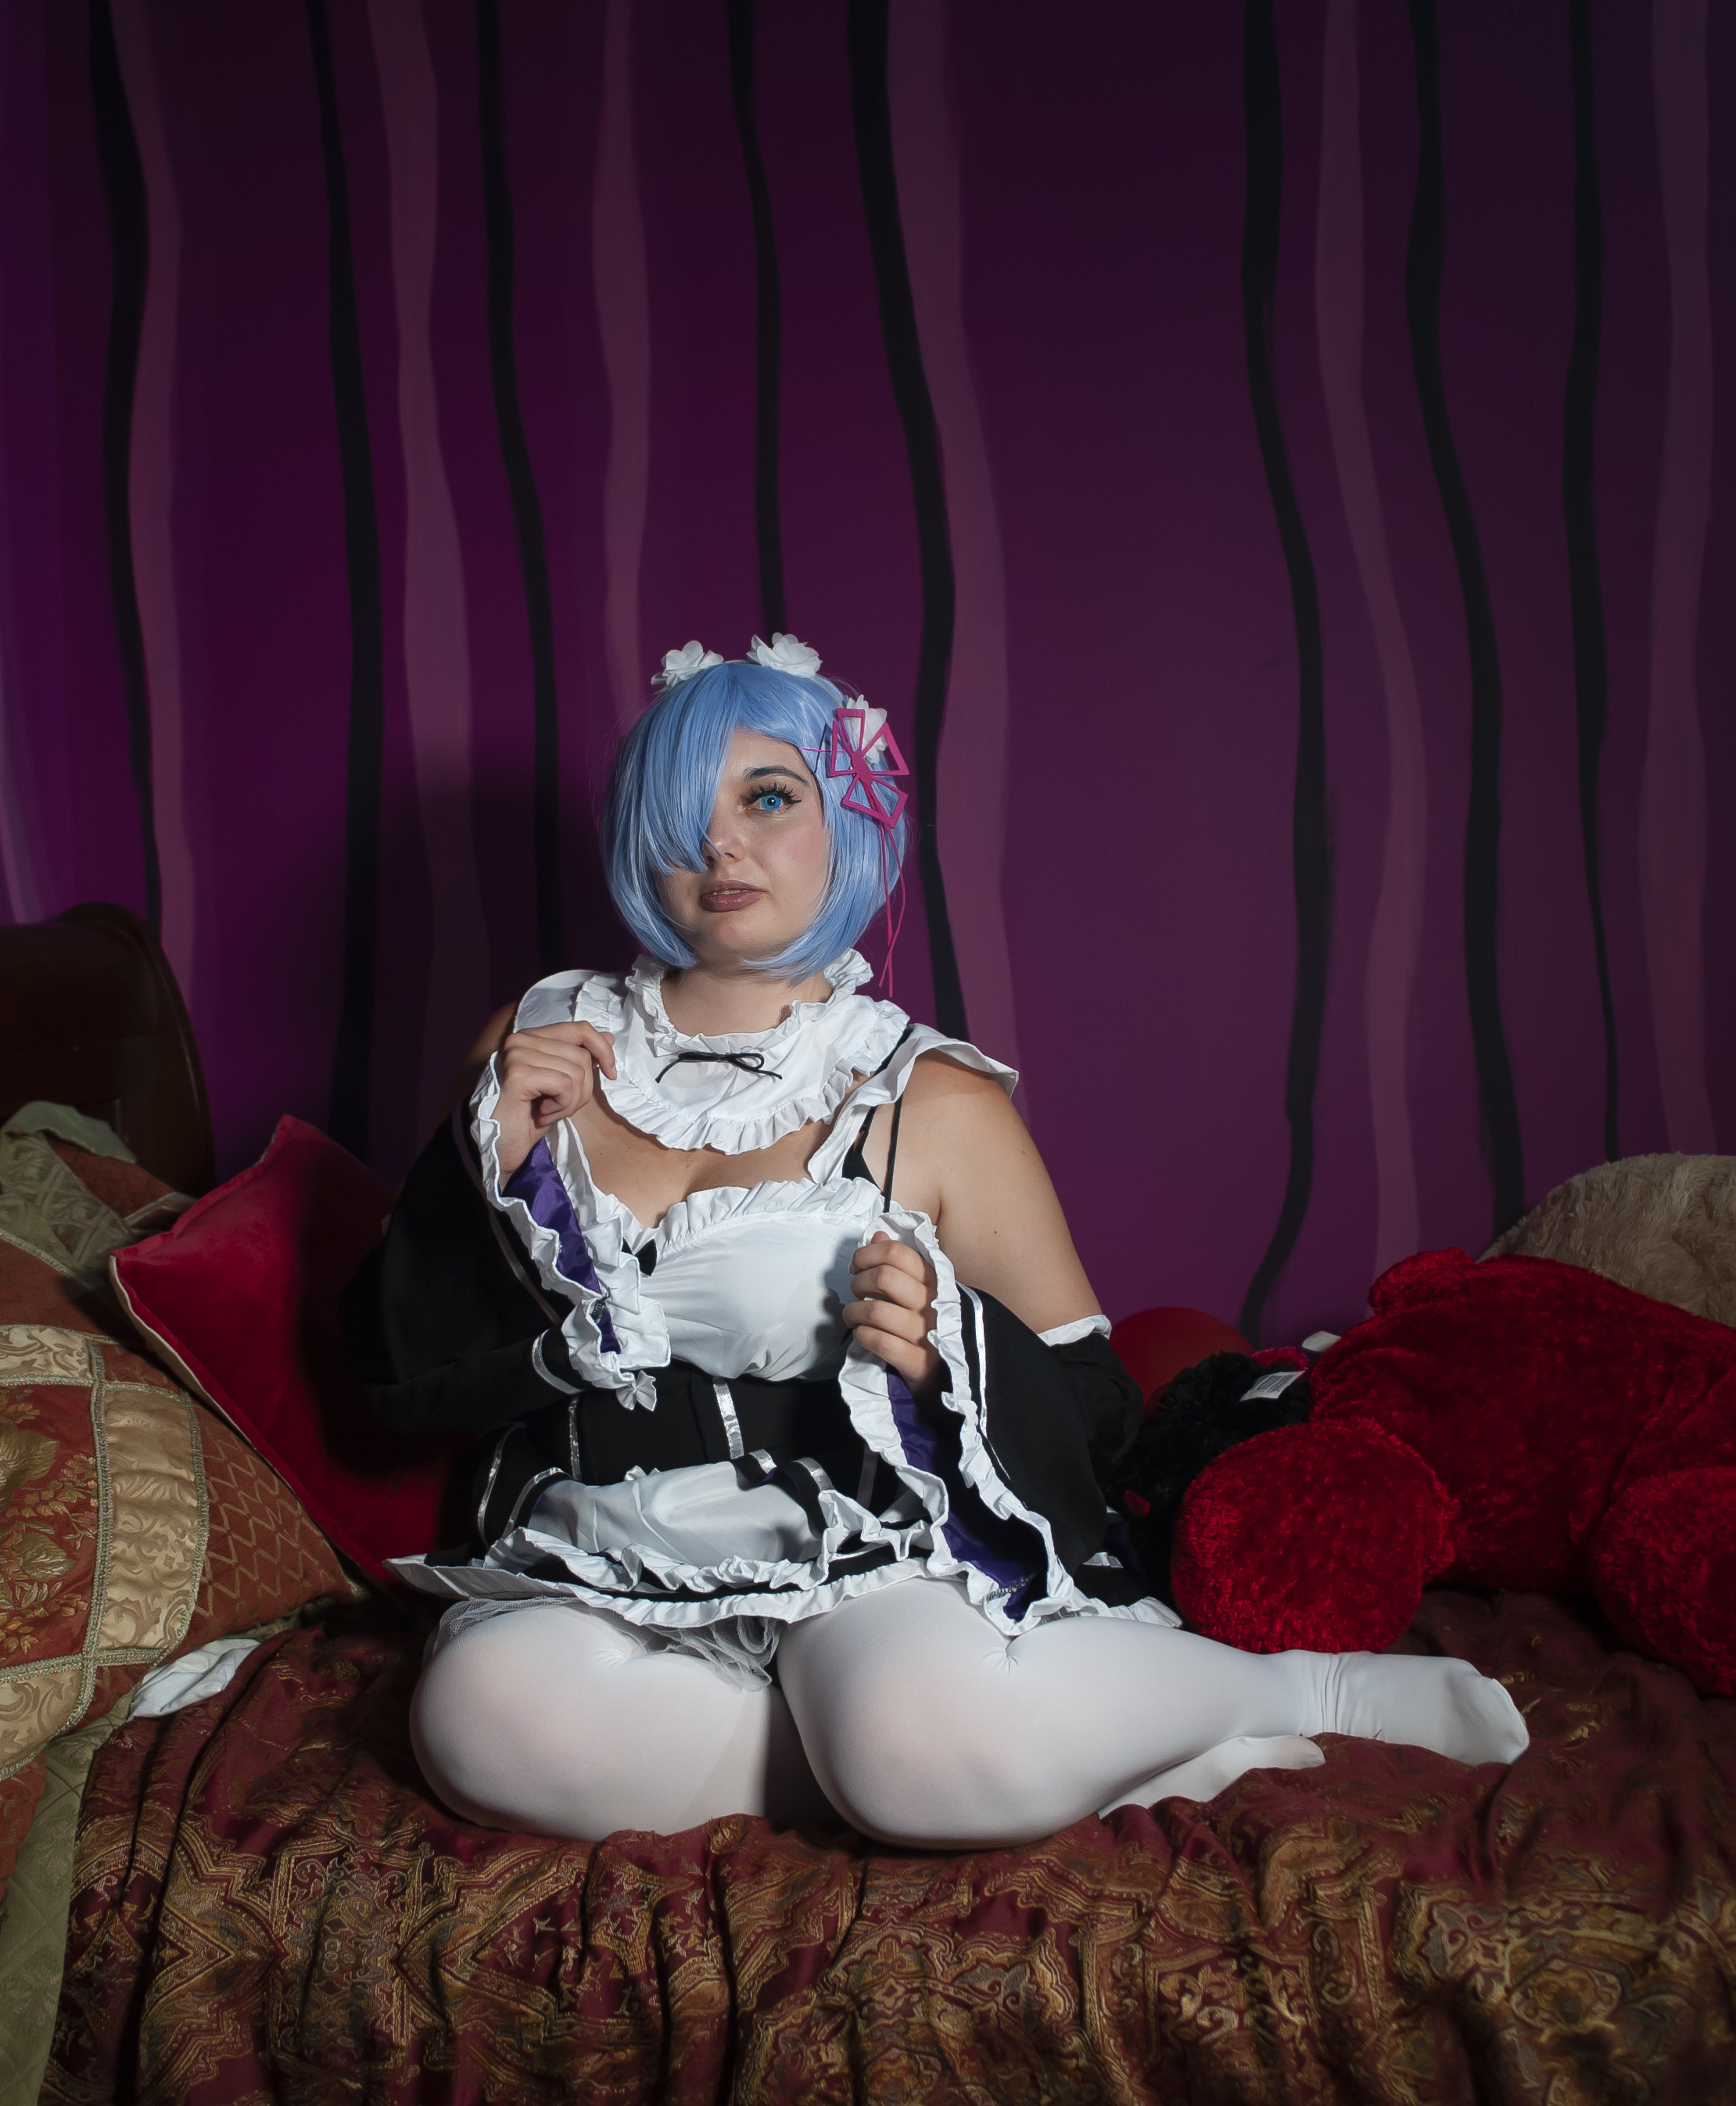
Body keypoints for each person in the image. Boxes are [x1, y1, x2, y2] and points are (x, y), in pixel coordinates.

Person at [342, 633, 1528, 1849]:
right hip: (594, 1544)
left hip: (867, 1546)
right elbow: (393, 1364)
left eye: (768, 798)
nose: (721, 844)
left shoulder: (929, 1096)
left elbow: (1095, 1402)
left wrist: (942, 1349)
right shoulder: (535, 1040)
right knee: (478, 1721)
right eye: (680, 808)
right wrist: (482, 1160)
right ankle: (965, 1759)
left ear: (850, 817)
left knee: (912, 1728)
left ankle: (1297, 1692)